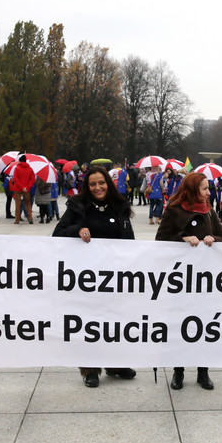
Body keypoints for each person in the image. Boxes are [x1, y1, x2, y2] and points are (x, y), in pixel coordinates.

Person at [53, 166, 138, 388]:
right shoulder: (78, 206)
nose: (98, 187)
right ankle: (90, 368)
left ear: (108, 184)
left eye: (101, 183)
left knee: (114, 322)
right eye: (93, 184)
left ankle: (115, 364)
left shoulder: (120, 205)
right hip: (86, 278)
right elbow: (57, 234)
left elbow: (129, 238)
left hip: (115, 276)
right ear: (87, 186)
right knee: (90, 323)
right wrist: (77, 230)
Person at [156, 172, 222, 390]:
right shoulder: (174, 210)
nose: (209, 193)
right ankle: (178, 371)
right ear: (191, 190)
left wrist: (213, 238)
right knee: (180, 325)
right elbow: (160, 239)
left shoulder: (209, 211)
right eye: (205, 189)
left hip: (205, 280)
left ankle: (202, 371)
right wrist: (182, 238)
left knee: (205, 325)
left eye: (208, 188)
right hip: (180, 281)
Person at [10, 155, 36, 224]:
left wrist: (21, 187)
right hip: (26, 189)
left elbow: (16, 178)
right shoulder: (30, 169)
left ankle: (17, 219)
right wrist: (27, 187)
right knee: (28, 203)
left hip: (18, 188)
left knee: (18, 204)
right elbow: (32, 179)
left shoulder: (17, 168)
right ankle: (30, 218)